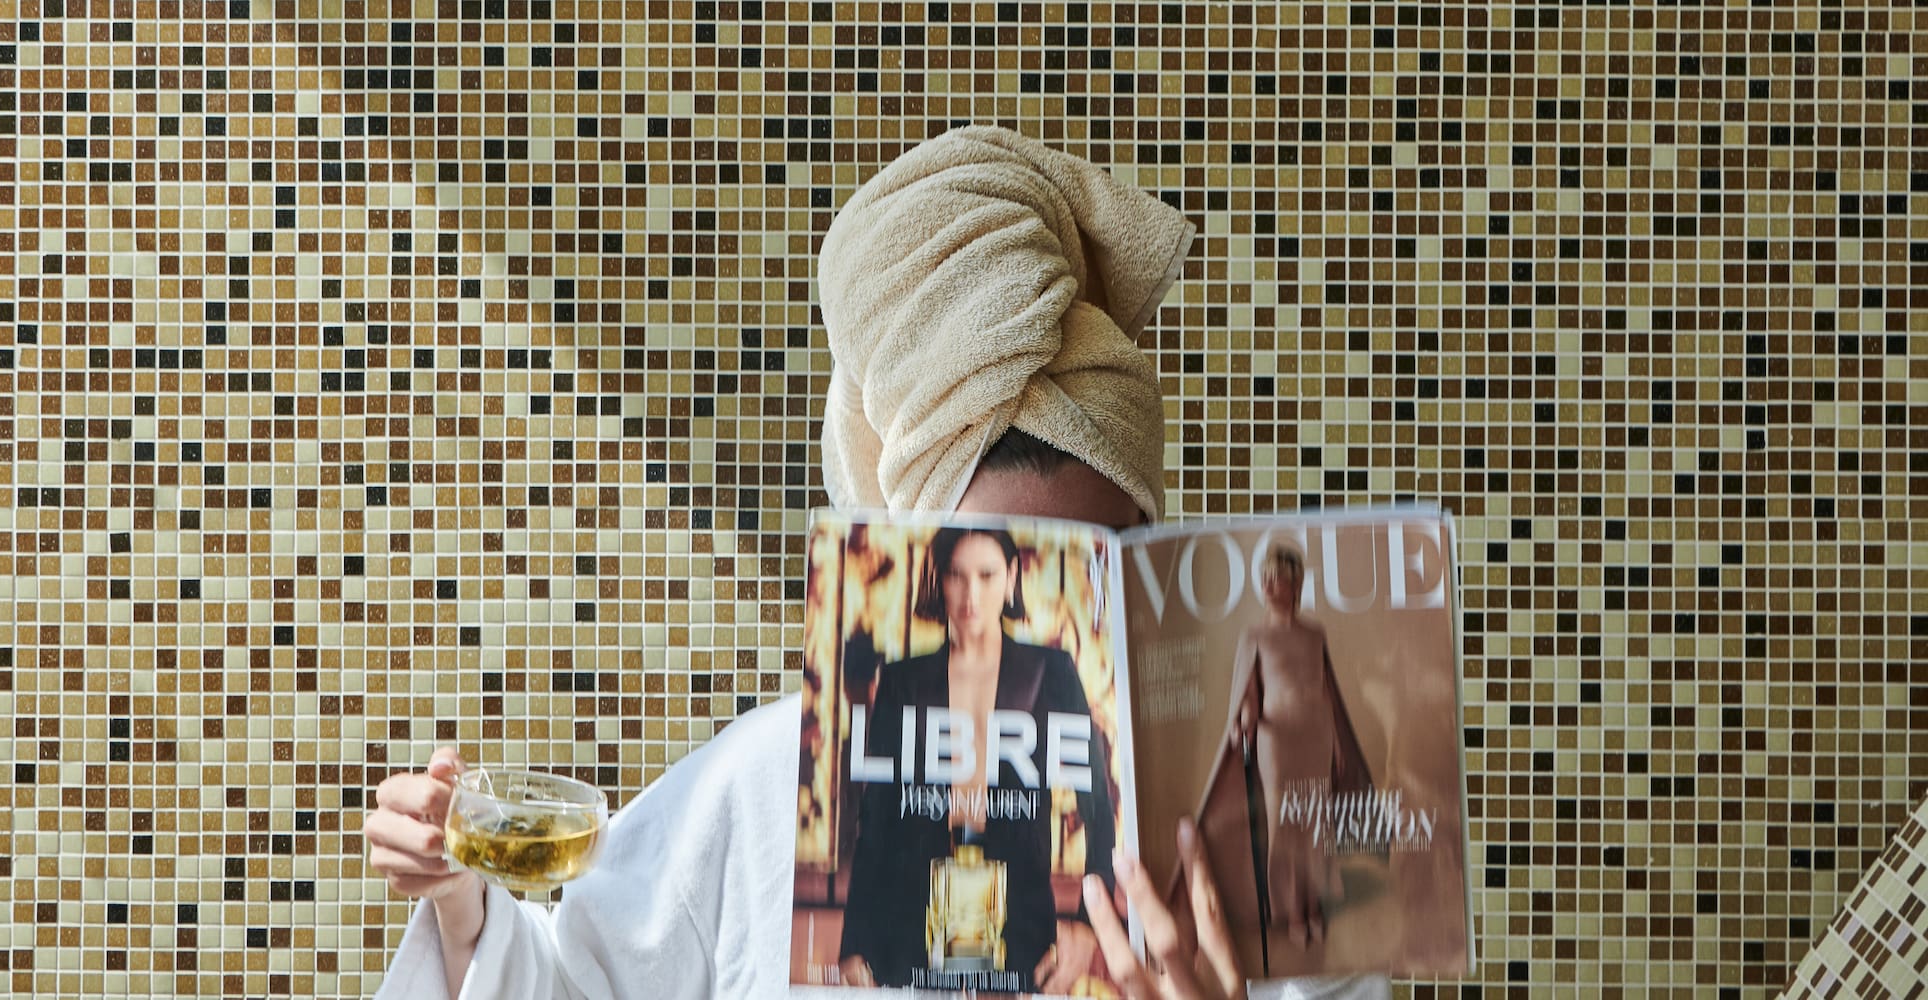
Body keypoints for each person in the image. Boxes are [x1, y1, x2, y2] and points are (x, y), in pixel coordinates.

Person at [363, 125, 1393, 1000]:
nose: (1025, 607)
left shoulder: (1262, 873)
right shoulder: (772, 784)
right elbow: (562, 980)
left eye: (1096, 562)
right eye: (988, 561)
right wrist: (458, 904)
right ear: (909, 562)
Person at [836, 526, 1117, 991]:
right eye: (956, 575)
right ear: (939, 581)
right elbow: (876, 824)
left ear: (1010, 579)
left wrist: (1089, 923)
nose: (971, 594)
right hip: (911, 911)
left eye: (987, 575)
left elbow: (1099, 811)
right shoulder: (903, 680)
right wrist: (854, 944)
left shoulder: (1052, 671)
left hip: (1023, 911)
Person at [1221, 544, 1372, 951]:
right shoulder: (1254, 634)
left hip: (1316, 737)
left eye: (1278, 576)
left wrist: (1340, 743)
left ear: (1296, 582)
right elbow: (1249, 691)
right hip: (1276, 742)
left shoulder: (1314, 632)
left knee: (1314, 825)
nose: (1269, 584)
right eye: (1265, 577)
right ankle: (1290, 910)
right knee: (1284, 825)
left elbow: (1328, 691)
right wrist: (1246, 720)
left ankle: (1313, 905)